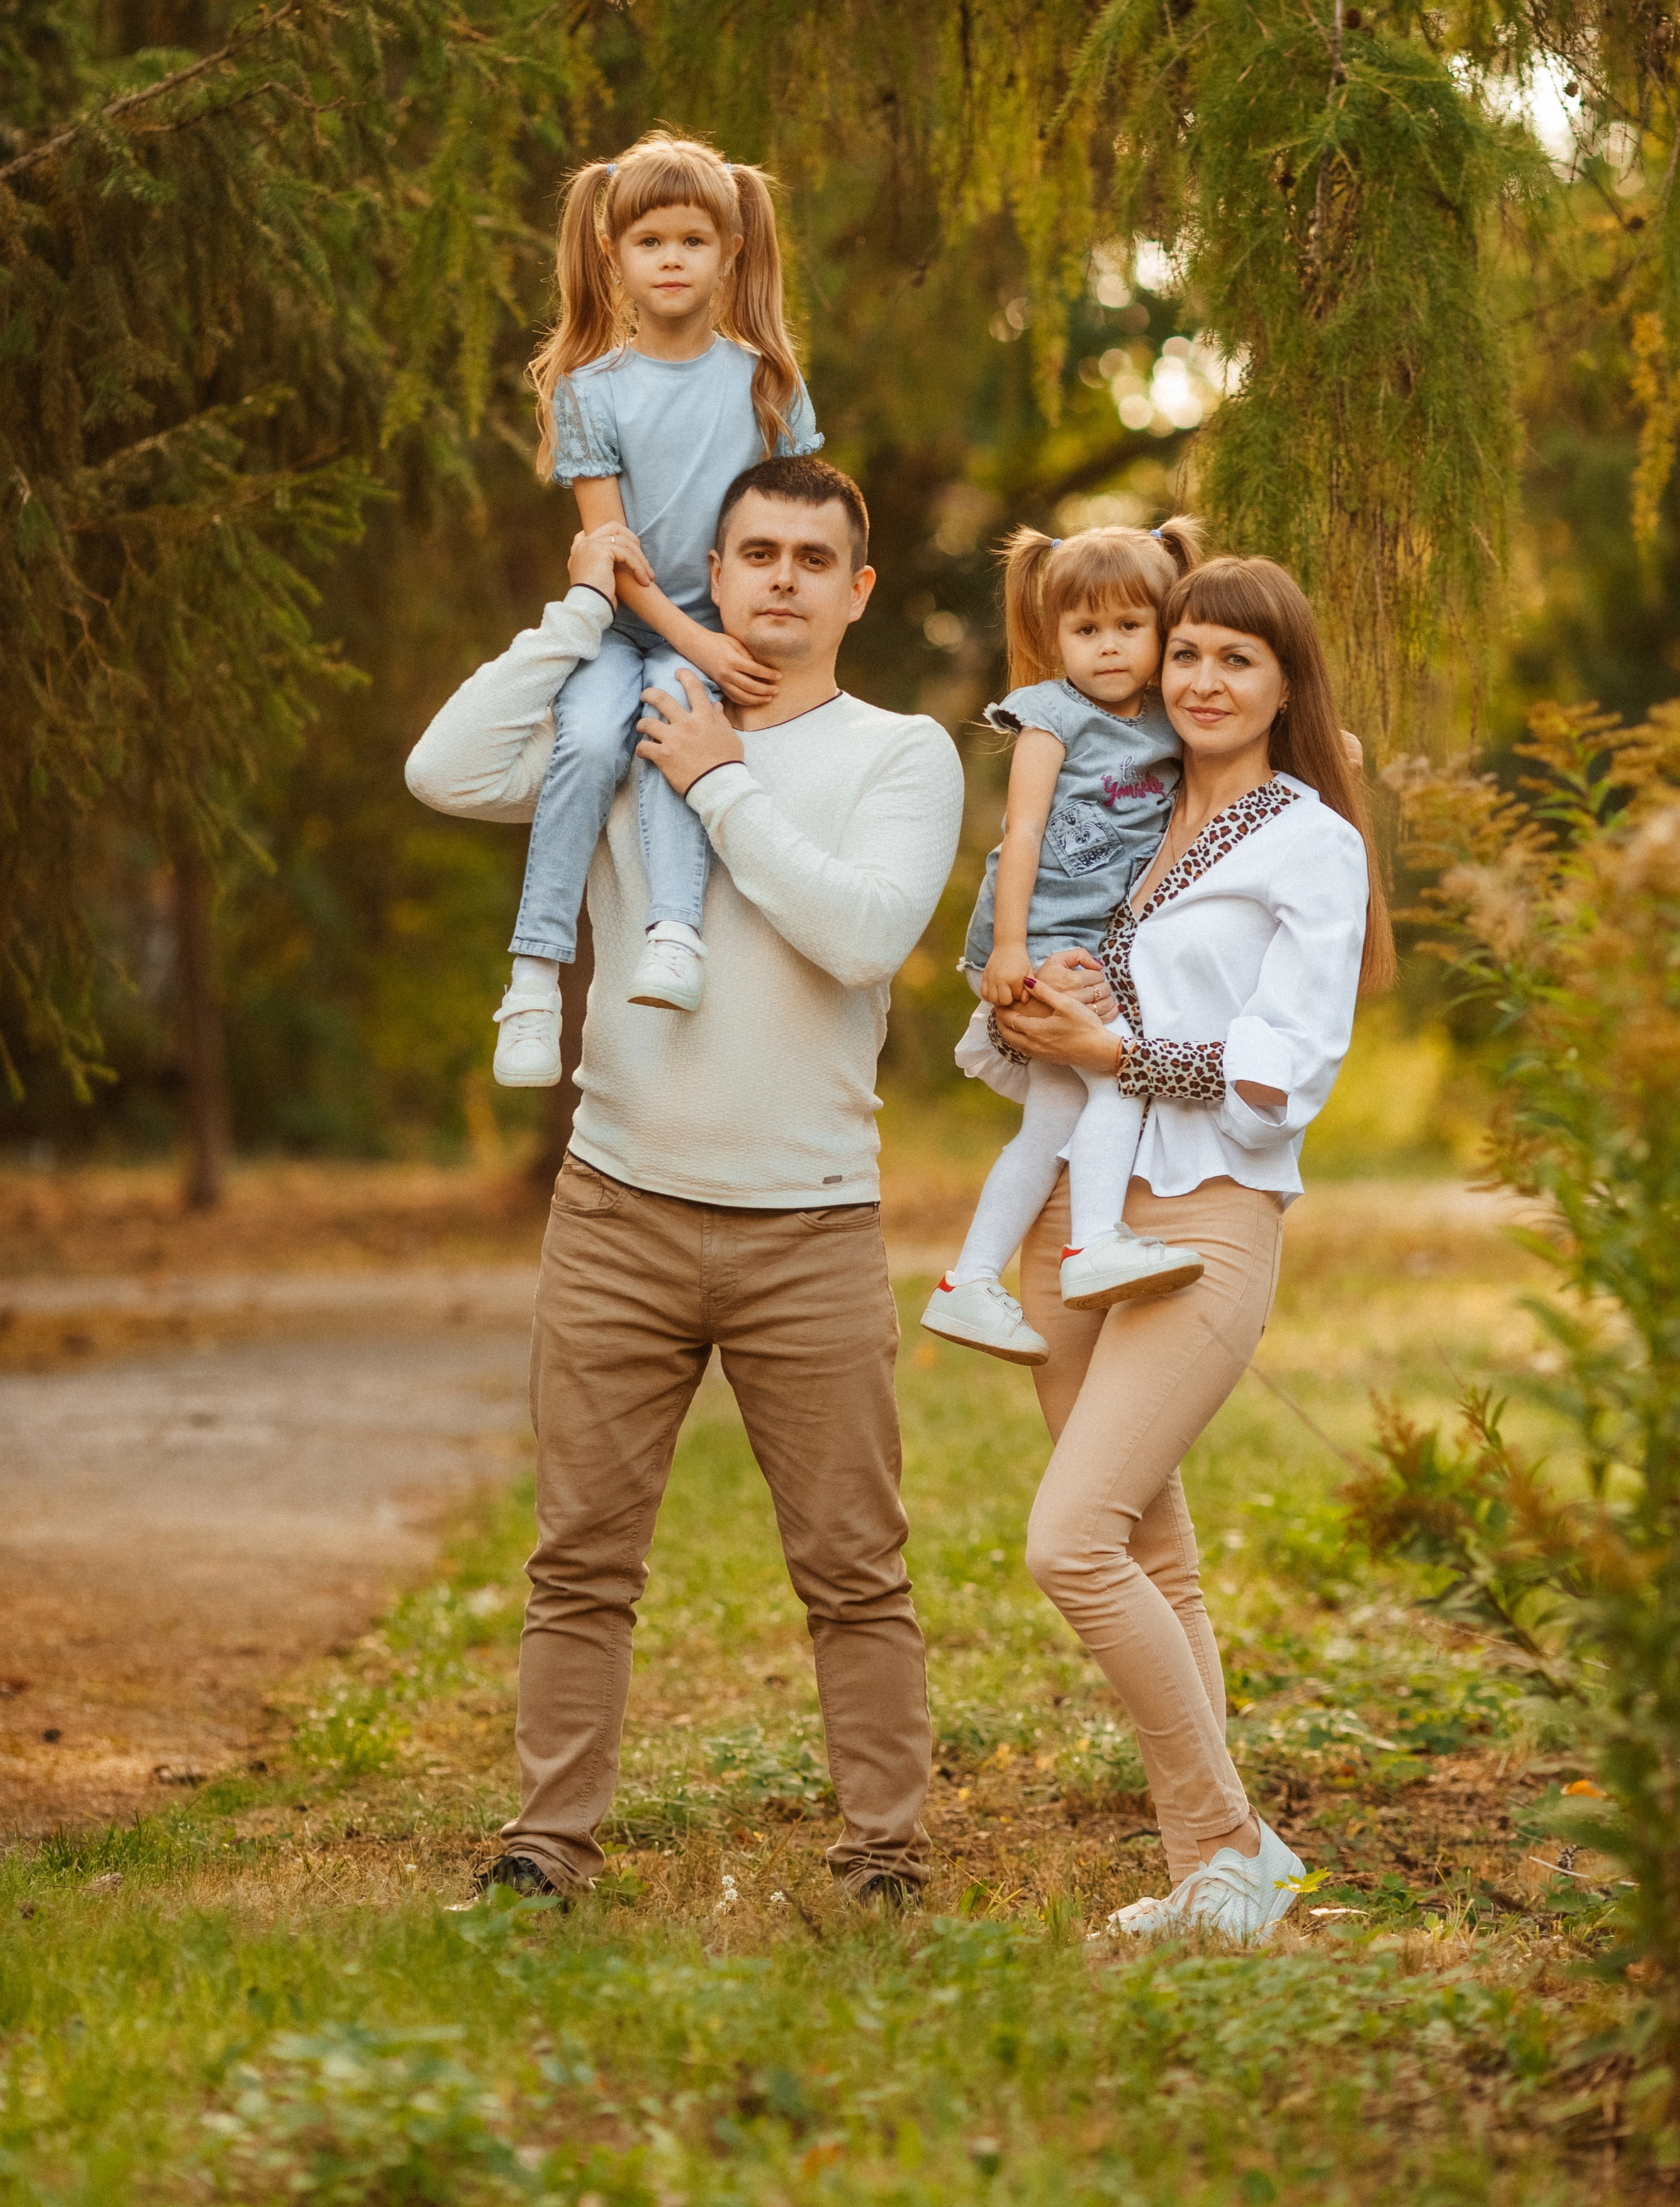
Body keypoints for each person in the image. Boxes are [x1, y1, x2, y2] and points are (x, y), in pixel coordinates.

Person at [404, 453, 965, 1907]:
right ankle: (545, 1846)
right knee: (580, 1557)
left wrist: (718, 788)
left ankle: (885, 1855)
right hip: (617, 1207)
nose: (778, 579)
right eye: (752, 552)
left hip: (811, 1226)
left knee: (854, 1566)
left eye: (808, 558)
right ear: (711, 573)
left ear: (858, 588)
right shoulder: (629, 722)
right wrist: (578, 615)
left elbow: (863, 936)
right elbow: (446, 769)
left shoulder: (897, 753)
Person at [984, 553, 1396, 1943]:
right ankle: (1207, 1876)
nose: (1202, 681)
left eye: (1236, 658)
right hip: (1073, 1219)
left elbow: (1288, 1067)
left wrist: (1117, 1048)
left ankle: (1231, 1840)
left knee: (1070, 1542)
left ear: (1284, 682)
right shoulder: (1132, 807)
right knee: (1154, 1558)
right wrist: (1040, 1012)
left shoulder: (1308, 838)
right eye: (1186, 655)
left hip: (1207, 1216)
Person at [491, 130, 824, 1092]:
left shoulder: (766, 380)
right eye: (649, 242)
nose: (671, 258)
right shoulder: (591, 391)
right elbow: (616, 556)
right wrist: (699, 644)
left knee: (679, 729)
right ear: (614, 257)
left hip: (715, 632)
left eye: (692, 240)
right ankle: (533, 979)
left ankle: (674, 933)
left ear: (730, 252)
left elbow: (799, 522)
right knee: (591, 742)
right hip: (629, 623)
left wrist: (743, 644)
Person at [921, 520, 1209, 1370]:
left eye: (1130, 627)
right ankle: (1095, 1244)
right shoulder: (1050, 716)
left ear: (1164, 631)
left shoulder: (1171, 720)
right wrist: (1009, 948)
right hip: (1034, 936)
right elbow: (1023, 830)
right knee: (1119, 1075)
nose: (1109, 648)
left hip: (1085, 944)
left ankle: (969, 1283)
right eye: (1086, 631)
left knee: (1051, 1119)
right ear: (1054, 637)